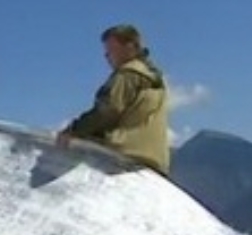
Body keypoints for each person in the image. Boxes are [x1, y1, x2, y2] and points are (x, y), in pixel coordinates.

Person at [56, 24, 170, 176]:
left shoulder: (127, 75)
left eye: (111, 50)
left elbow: (107, 110)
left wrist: (73, 131)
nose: (107, 56)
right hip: (155, 161)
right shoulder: (154, 79)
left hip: (125, 157)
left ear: (129, 47)